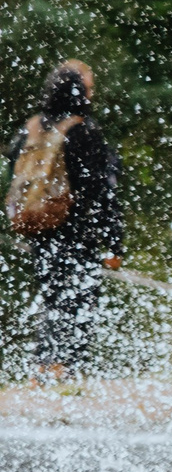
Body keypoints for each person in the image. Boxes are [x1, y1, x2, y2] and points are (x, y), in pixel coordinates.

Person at [7, 61, 122, 377]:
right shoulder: (83, 130)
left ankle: (44, 364)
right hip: (75, 226)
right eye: (89, 87)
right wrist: (113, 241)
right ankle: (67, 367)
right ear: (79, 92)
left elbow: (13, 172)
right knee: (80, 297)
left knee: (53, 295)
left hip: (39, 225)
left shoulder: (31, 128)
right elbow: (100, 191)